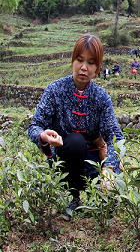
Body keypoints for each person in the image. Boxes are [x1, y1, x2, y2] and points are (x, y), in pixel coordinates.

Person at [28, 34, 123, 220]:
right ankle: (73, 197)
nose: (84, 67)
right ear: (73, 60)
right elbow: (35, 125)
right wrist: (43, 136)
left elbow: (115, 137)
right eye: (80, 60)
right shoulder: (55, 90)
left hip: (93, 162)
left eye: (91, 62)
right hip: (65, 159)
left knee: (110, 203)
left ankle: (100, 191)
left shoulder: (101, 97)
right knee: (75, 141)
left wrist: (110, 169)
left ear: (97, 68)